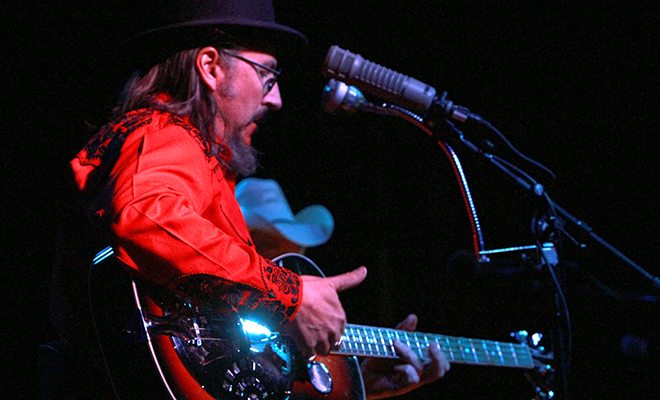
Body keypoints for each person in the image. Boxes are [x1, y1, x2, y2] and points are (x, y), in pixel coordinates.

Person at [48, 0, 448, 398]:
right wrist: (287, 295)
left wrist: (354, 384)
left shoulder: (197, 160)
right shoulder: (165, 132)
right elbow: (147, 218)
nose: (275, 100)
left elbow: (213, 356)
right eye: (267, 76)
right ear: (210, 67)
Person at [237, 177, 450, 399]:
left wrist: (361, 388)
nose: (281, 271)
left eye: (294, 253)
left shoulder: (306, 333)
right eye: (268, 249)